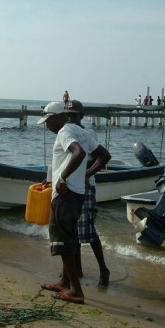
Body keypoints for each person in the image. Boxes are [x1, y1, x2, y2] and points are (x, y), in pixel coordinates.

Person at [36, 101, 109, 304]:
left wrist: (62, 179)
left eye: (48, 121)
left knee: (62, 241)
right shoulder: (81, 131)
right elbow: (104, 156)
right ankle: (65, 282)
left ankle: (76, 290)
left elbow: (79, 153)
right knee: (70, 238)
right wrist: (83, 175)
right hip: (77, 194)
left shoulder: (64, 132)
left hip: (66, 195)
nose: (47, 126)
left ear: (57, 117)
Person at [65, 100, 112, 287]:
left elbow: (101, 157)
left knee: (88, 231)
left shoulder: (87, 134)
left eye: (74, 115)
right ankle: (78, 270)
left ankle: (103, 269)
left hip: (85, 187)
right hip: (70, 187)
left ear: (81, 116)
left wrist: (87, 175)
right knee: (73, 232)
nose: (71, 118)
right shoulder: (66, 134)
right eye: (68, 115)